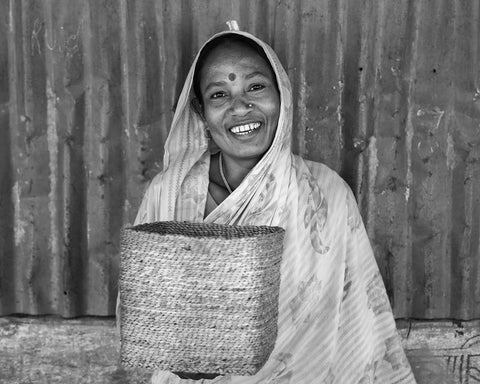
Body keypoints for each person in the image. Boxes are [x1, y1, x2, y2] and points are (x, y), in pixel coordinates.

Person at [130, 25, 417, 383]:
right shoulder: (169, 193)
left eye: (255, 86)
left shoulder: (325, 193)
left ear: (281, 94)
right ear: (201, 113)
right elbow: (143, 314)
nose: (240, 106)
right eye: (219, 94)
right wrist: (178, 355)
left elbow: (359, 323)